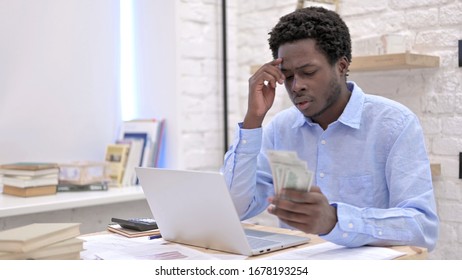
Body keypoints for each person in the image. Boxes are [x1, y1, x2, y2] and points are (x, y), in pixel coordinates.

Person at [221, 6, 439, 250]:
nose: (296, 86)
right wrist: (253, 120)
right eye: (288, 76)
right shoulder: (280, 128)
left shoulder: (394, 124)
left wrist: (335, 220)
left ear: (342, 66)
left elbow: (422, 228)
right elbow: (233, 209)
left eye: (308, 72)